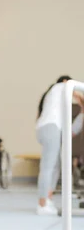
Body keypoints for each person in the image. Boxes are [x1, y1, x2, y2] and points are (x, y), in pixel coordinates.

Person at [36, 76, 84, 215]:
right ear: (65, 82)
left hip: (51, 128)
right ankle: (42, 204)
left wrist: (82, 111)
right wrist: (78, 94)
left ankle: (47, 198)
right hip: (50, 128)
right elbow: (69, 87)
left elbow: (72, 131)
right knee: (48, 166)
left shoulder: (58, 108)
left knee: (55, 165)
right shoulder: (58, 88)